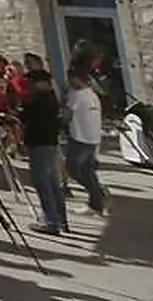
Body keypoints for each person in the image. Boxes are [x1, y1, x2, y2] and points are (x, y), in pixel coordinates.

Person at [18, 53, 68, 235]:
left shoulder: (40, 99)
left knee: (43, 182)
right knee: (52, 182)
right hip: (49, 142)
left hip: (40, 142)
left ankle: (50, 220)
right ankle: (59, 217)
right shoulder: (50, 98)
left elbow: (29, 118)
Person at [64, 70, 107, 216]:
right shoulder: (93, 95)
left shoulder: (75, 95)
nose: (68, 82)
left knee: (72, 169)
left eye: (70, 79)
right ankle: (96, 204)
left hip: (80, 137)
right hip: (93, 138)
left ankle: (97, 193)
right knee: (88, 172)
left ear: (76, 79)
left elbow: (67, 116)